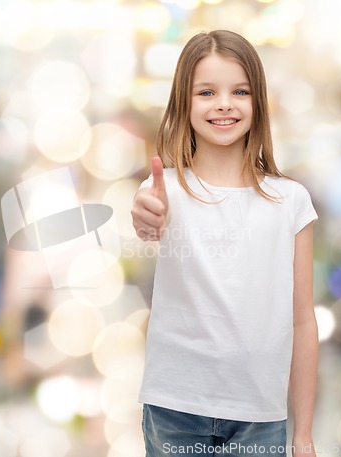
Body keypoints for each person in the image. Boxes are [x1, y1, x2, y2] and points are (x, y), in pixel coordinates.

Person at [131, 30, 319, 457]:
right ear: (184, 101)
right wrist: (147, 217)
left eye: (240, 91)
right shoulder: (164, 191)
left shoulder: (291, 201)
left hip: (260, 416)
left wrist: (303, 434)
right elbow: (147, 224)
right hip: (174, 408)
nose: (224, 104)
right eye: (206, 92)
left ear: (258, 102)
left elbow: (303, 321)